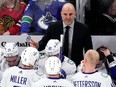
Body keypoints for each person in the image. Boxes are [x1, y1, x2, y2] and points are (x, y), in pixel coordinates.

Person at [28, 3, 93, 66]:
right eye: (65, 14)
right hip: (56, 66)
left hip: (76, 66)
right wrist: (37, 46)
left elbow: (89, 50)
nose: (68, 17)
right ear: (61, 14)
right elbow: (43, 44)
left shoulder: (84, 29)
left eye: (70, 14)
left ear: (75, 14)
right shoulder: (53, 27)